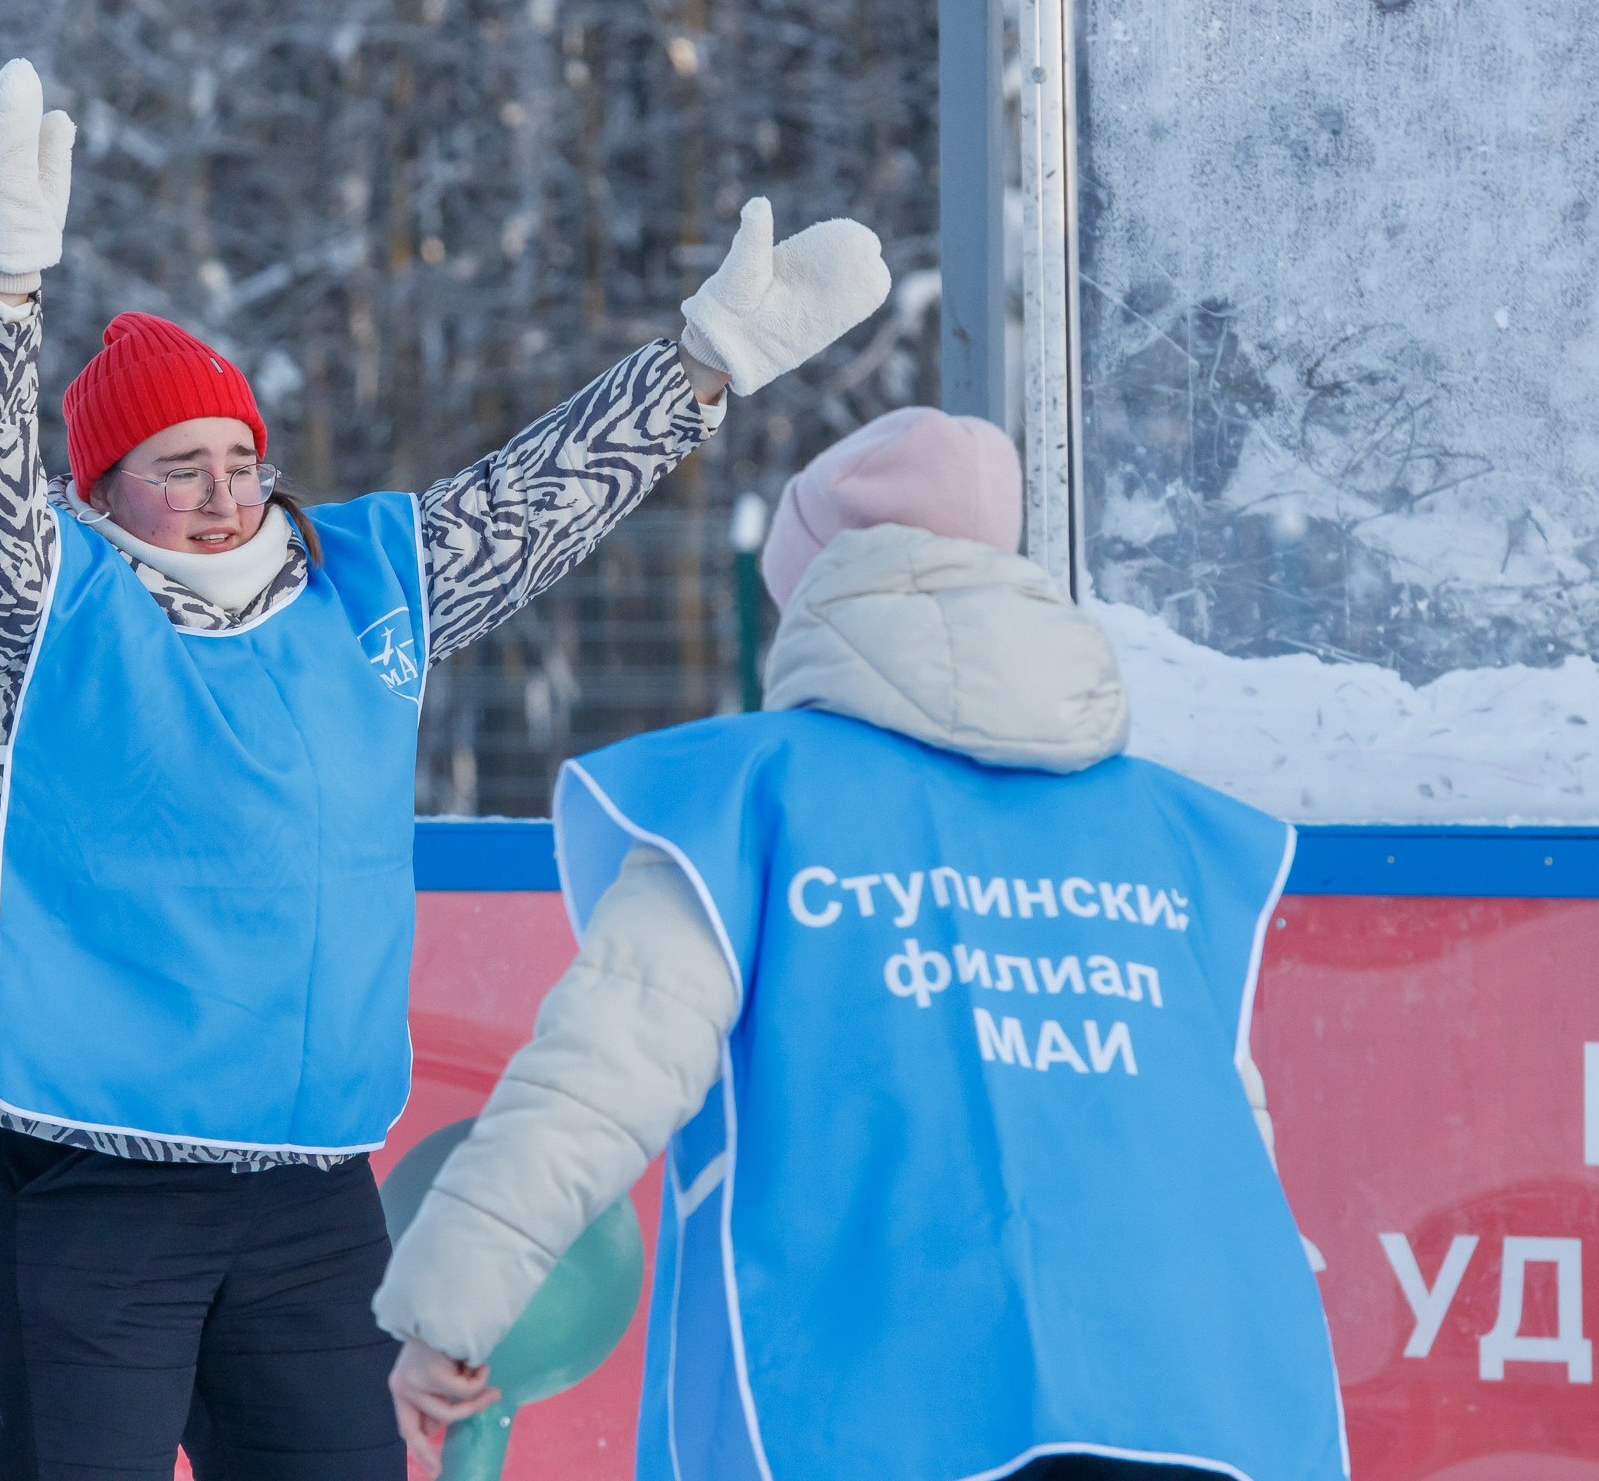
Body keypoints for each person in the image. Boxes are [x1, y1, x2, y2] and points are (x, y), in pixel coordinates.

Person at [0, 57, 889, 1481]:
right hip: (81, 1169)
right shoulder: (37, 608)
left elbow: (528, 504)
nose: (222, 493)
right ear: (98, 494)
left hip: (302, 1191)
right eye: (176, 465)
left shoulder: (358, 586)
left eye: (239, 457)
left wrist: (695, 371)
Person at [376, 409, 1348, 1480]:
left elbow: (592, 1081)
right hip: (1194, 1394)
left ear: (812, 588)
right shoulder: (1148, 825)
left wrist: (449, 1311)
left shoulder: (750, 798)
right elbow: (1222, 1126)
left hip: (876, 1394)